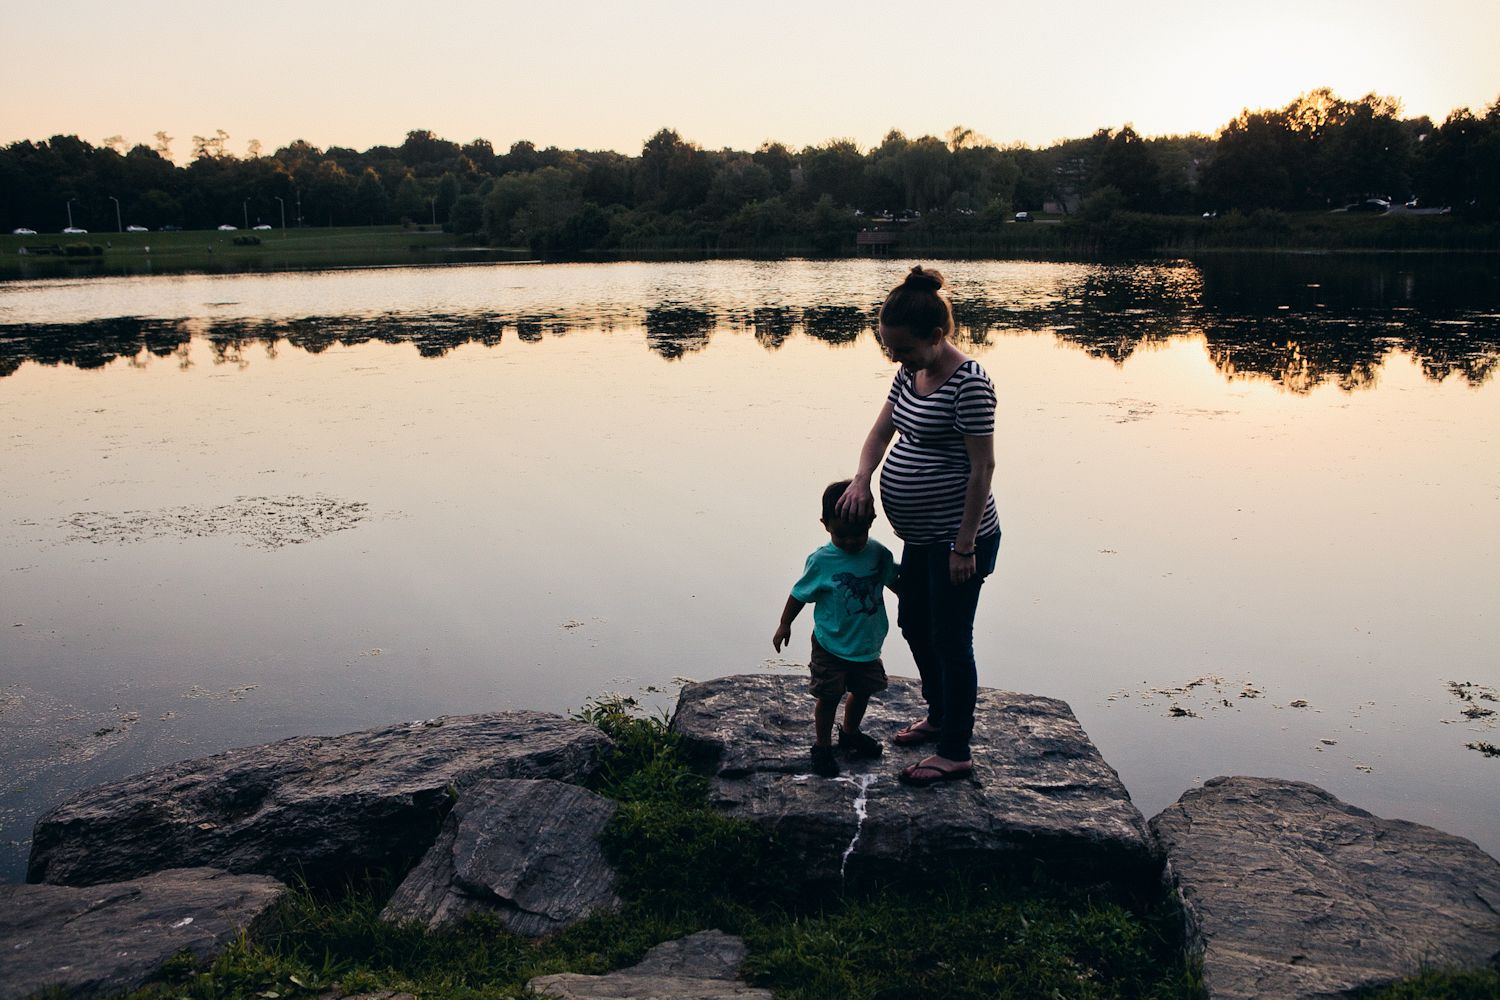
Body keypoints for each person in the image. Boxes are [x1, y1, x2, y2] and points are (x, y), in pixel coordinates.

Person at [836, 265, 1001, 787]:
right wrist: (862, 480)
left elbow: (983, 469)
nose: (895, 358)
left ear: (937, 336)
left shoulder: (971, 385)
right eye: (889, 348)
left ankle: (956, 750)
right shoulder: (910, 373)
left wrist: (964, 545)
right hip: (921, 538)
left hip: (960, 540)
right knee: (914, 624)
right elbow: (878, 434)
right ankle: (939, 715)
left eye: (902, 348)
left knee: (952, 638)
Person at [773, 479, 900, 777]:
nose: (851, 541)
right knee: (828, 697)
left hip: (867, 645)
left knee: (863, 691)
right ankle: (822, 746)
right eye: (841, 534)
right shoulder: (822, 560)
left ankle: (850, 733)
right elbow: (799, 594)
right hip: (830, 644)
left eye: (858, 533)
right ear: (825, 525)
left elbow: (895, 582)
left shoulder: (878, 554)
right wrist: (784, 624)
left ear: (870, 522)